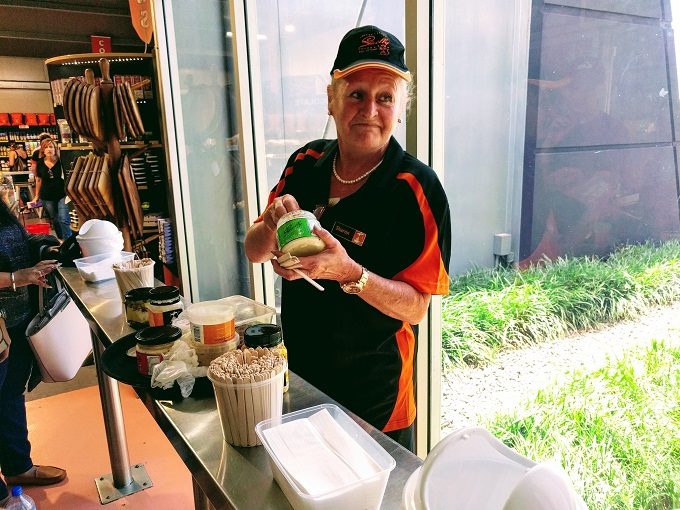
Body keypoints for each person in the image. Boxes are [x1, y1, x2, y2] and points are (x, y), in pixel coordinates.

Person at [244, 25, 451, 452]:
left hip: (375, 396)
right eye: (356, 93)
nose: (369, 109)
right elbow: (254, 249)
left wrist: (349, 272)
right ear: (331, 100)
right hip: (300, 376)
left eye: (385, 97)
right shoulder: (305, 163)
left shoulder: (415, 189)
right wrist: (270, 231)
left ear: (400, 108)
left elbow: (415, 308)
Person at [0, 198, 66, 506]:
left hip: (15, 319)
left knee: (11, 392)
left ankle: (18, 467)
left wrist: (52, 246)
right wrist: (19, 278)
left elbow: (18, 241)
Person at [29, 138, 71, 241]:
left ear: (55, 149)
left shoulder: (61, 161)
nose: (49, 149)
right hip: (47, 196)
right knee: (55, 219)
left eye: (51, 147)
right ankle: (61, 239)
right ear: (43, 150)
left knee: (63, 219)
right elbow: (38, 180)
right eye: (46, 147)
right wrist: (36, 196)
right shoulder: (40, 163)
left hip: (62, 194)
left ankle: (69, 241)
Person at [7, 143, 29, 208]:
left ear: (12, 146)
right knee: (25, 189)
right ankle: (29, 206)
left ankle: (24, 207)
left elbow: (11, 164)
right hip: (25, 173)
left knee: (19, 189)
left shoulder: (12, 152)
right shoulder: (24, 152)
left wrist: (8, 164)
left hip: (17, 174)